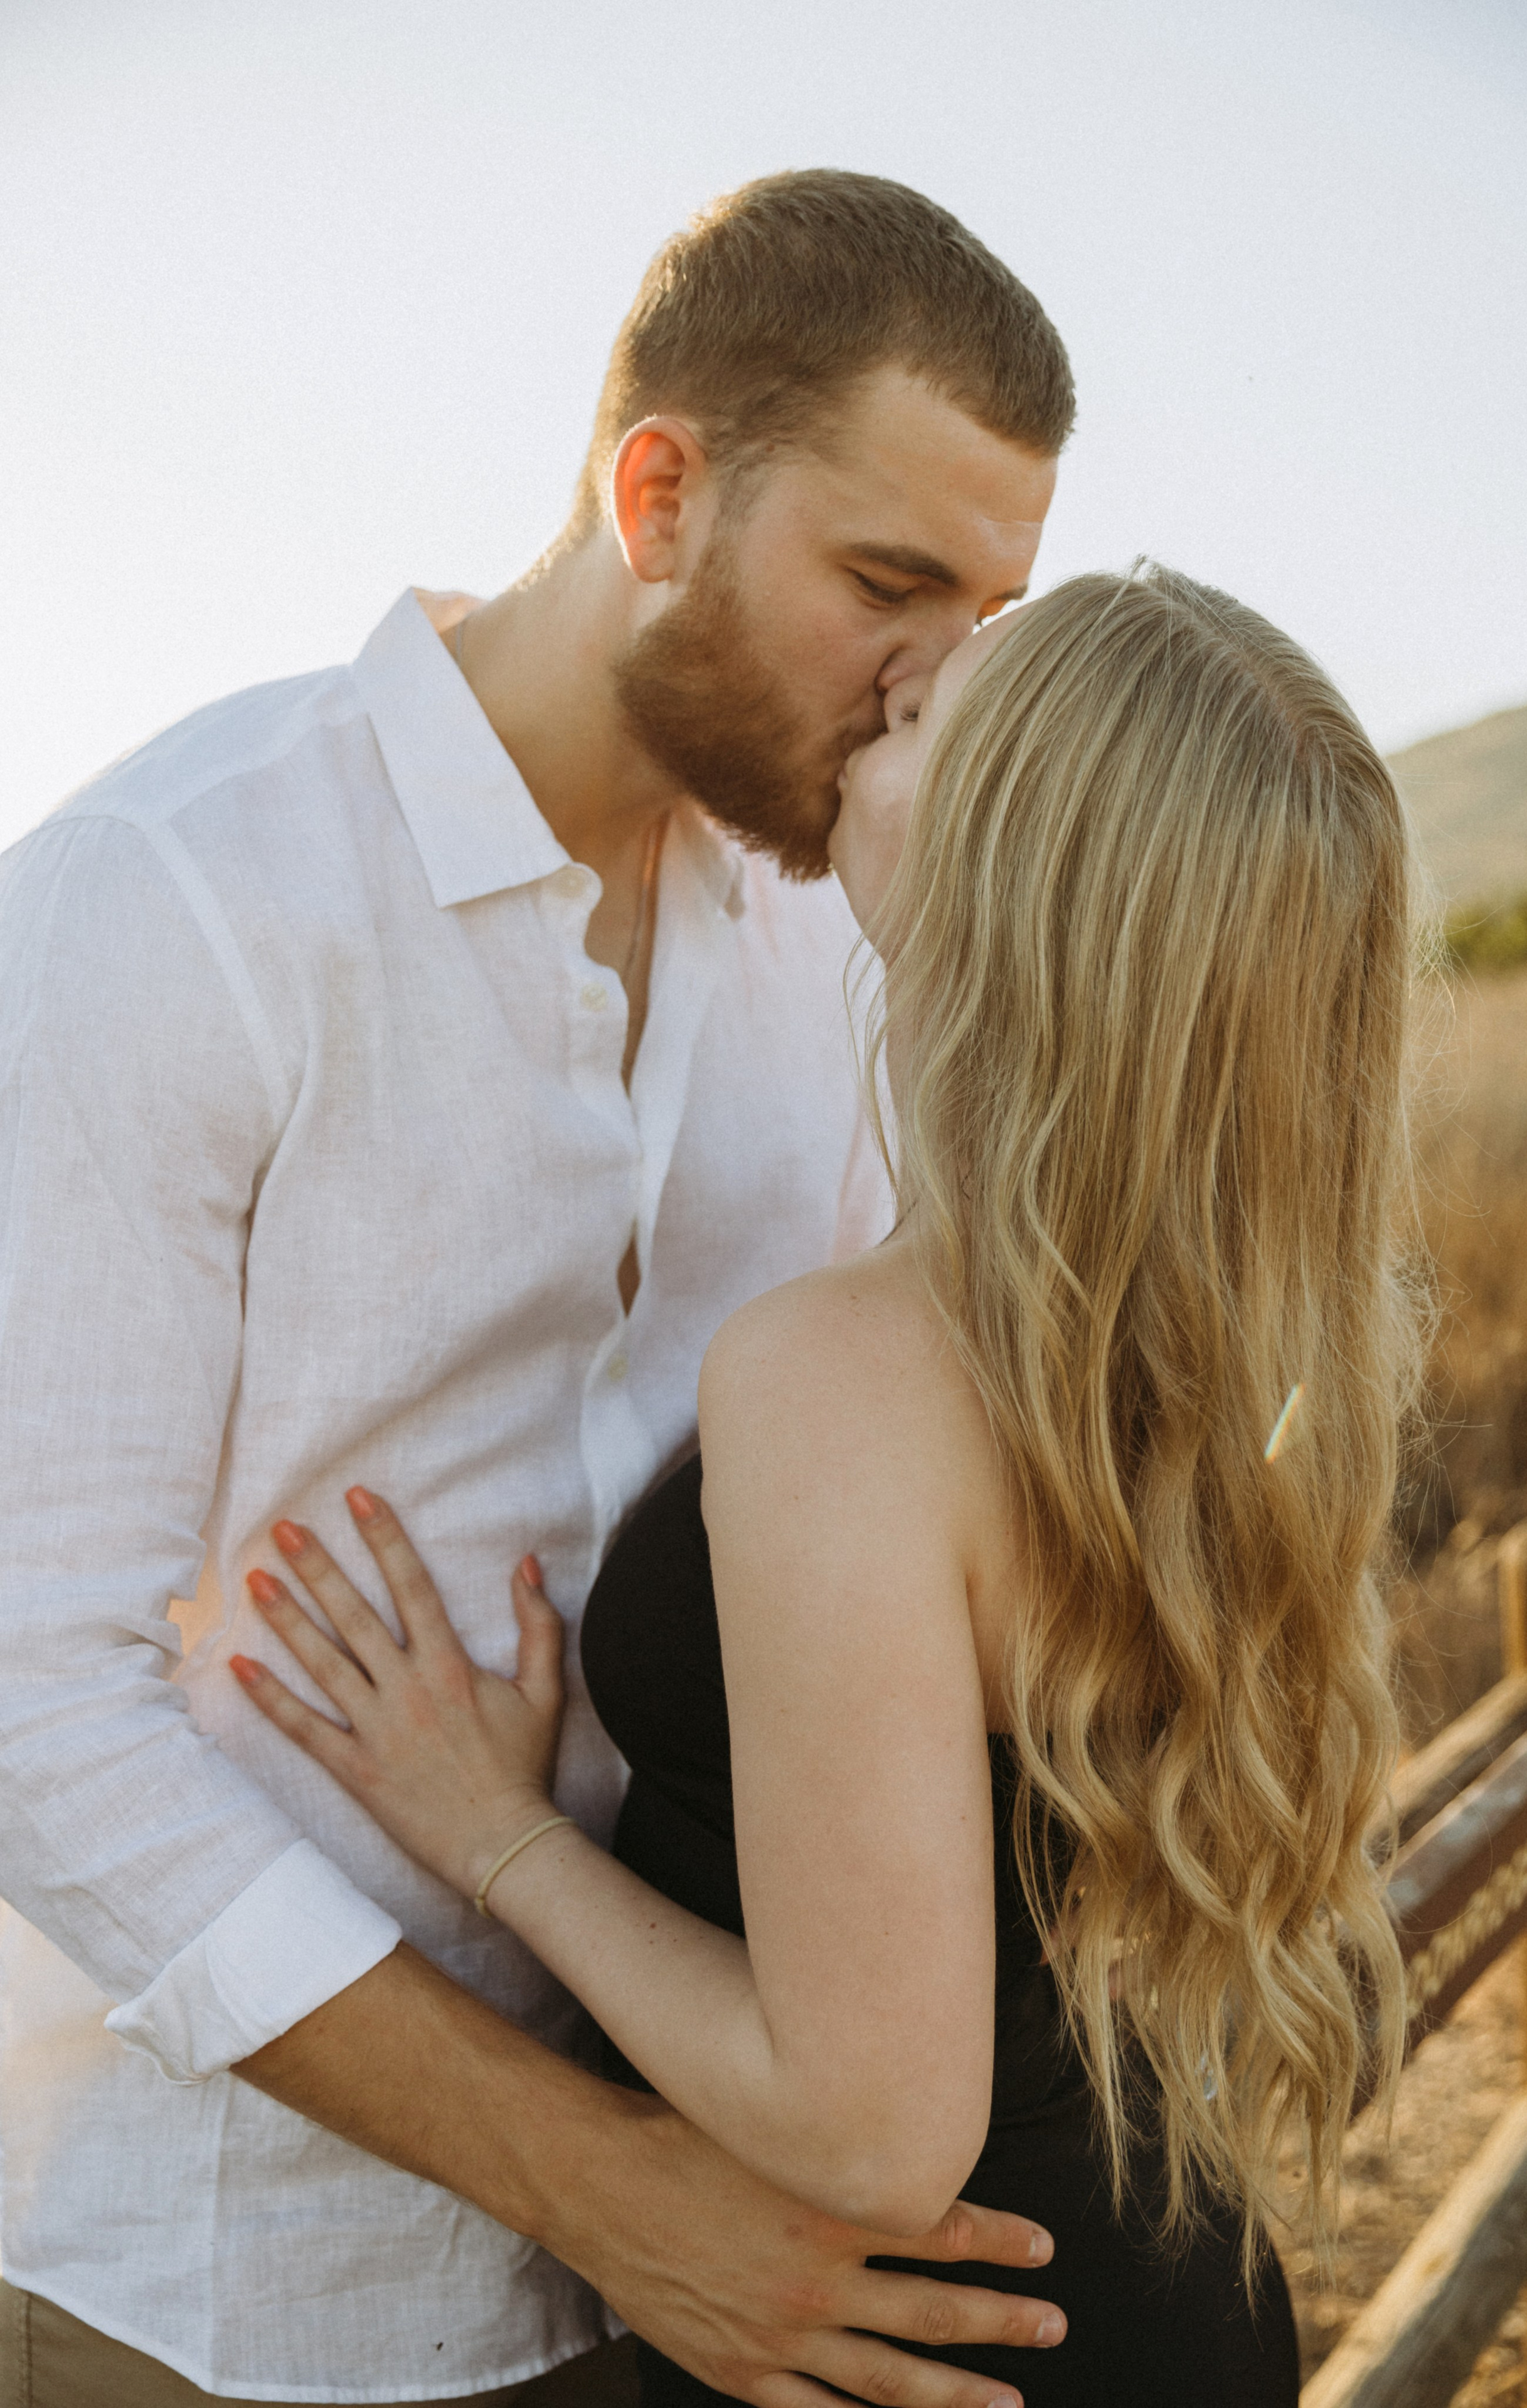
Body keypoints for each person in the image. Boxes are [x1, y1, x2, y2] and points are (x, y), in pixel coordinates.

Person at [0, 173, 1078, 2407]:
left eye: (983, 617)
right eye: (887, 582)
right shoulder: (167, 899)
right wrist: (598, 2182)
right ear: (659, 493)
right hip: (209, 2294)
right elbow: (28, 1713)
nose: (928, 684)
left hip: (704, 2267)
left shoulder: (839, 939)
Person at [231, 564, 1418, 2407]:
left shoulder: (849, 1374)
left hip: (935, 2348)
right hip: (1143, 2290)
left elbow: (870, 2133)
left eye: (944, 709)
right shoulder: (1209, 1344)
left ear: (1013, 877)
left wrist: (500, 1837)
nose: (899, 683)